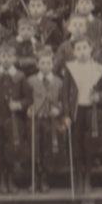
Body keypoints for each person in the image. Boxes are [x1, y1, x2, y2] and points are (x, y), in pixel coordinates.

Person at [62, 37, 102, 193]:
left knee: (90, 144)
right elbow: (65, 93)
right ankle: (78, 175)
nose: (82, 52)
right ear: (74, 52)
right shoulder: (70, 68)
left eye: (85, 48)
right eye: (79, 49)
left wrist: (99, 96)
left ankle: (88, 176)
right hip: (77, 111)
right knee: (76, 144)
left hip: (92, 111)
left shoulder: (98, 68)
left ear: (91, 50)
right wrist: (67, 114)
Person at [0, 43, 29, 194]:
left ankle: (11, 178)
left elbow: (28, 98)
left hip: (14, 121)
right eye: (3, 56)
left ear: (15, 58)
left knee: (11, 149)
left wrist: (19, 104)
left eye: (9, 56)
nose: (6, 60)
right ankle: (1, 179)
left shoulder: (20, 76)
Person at [27, 48, 64, 193]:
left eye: (48, 63)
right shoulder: (31, 81)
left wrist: (59, 109)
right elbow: (27, 100)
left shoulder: (59, 82)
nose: (45, 65)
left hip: (51, 120)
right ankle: (34, 178)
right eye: (42, 63)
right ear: (37, 64)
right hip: (36, 119)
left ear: (53, 64)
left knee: (48, 148)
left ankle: (45, 179)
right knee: (35, 148)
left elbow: (63, 101)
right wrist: (29, 108)